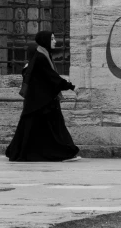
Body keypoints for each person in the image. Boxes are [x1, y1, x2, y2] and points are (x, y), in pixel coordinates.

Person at [5, 30, 81, 162]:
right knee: (55, 129)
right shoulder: (41, 57)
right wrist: (70, 86)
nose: (55, 41)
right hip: (42, 102)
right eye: (52, 38)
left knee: (39, 128)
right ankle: (65, 152)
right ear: (46, 40)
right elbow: (52, 77)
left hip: (40, 101)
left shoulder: (42, 55)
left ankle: (18, 152)